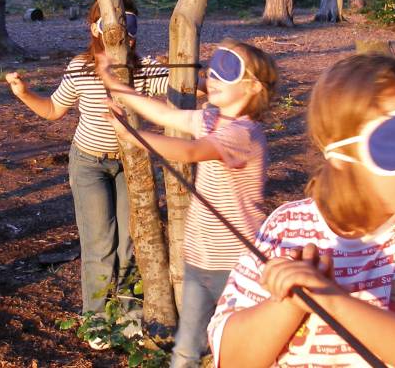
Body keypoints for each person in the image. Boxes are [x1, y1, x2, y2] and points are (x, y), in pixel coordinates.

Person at [208, 55, 395, 367]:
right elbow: (233, 359)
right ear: (340, 152)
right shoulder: (285, 229)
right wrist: (293, 301)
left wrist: (332, 300)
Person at [100, 39, 278, 367]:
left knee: (235, 350)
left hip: (236, 264)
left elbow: (189, 152)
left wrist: (130, 136)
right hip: (200, 258)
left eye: (228, 70)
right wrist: (116, 86)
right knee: (186, 348)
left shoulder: (244, 134)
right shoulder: (212, 118)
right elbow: (165, 113)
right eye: (213, 68)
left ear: (253, 86)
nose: (212, 76)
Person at [4, 0, 166, 349]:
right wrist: (23, 92)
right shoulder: (80, 67)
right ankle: (95, 316)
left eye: (132, 33)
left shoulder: (147, 68)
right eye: (120, 32)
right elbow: (52, 110)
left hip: (131, 165)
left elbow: (180, 90)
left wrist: (203, 78)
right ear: (97, 30)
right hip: (89, 162)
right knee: (99, 243)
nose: (129, 41)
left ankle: (129, 313)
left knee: (129, 241)